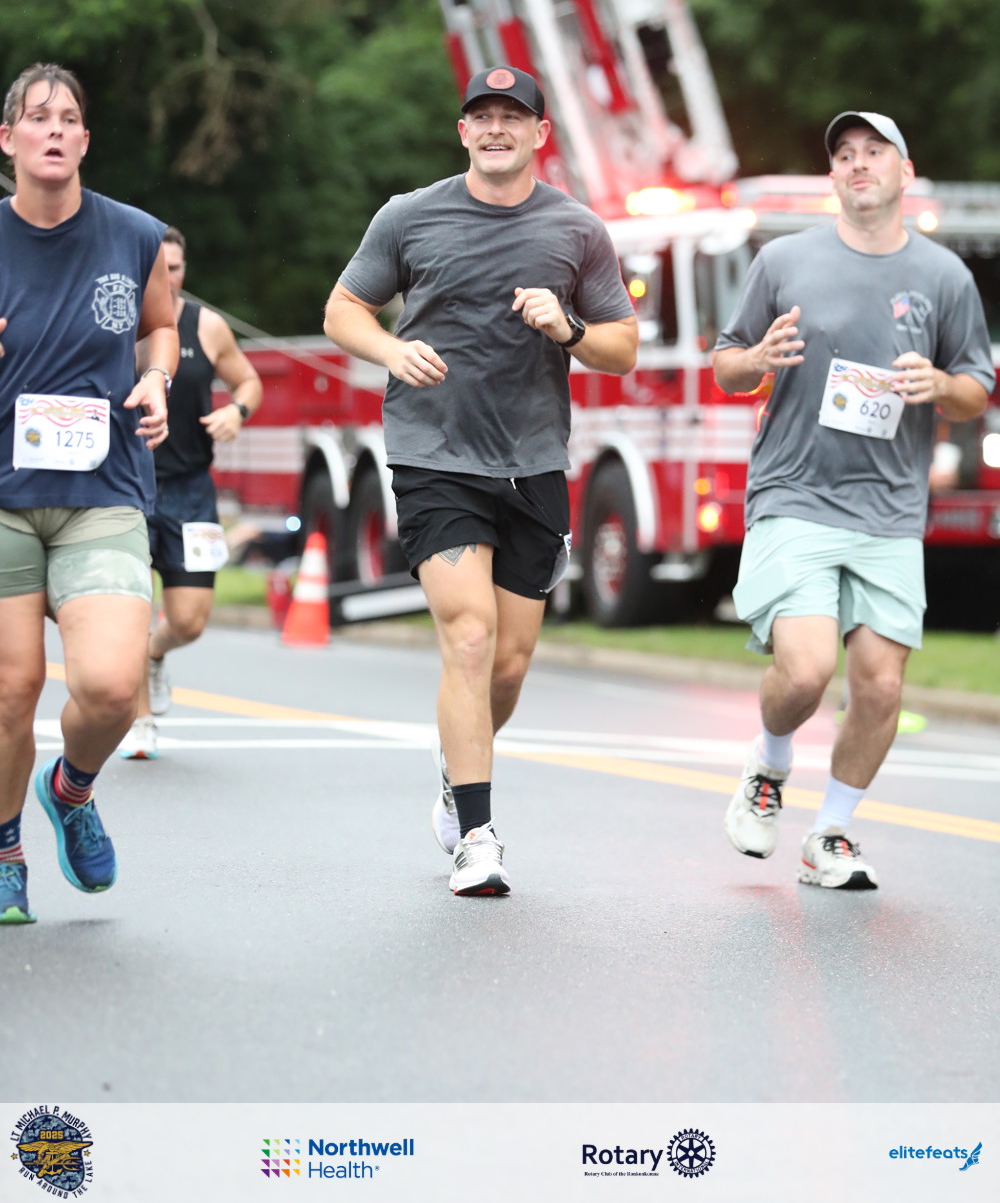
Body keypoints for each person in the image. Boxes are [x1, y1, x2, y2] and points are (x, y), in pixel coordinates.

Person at [323, 66, 637, 895]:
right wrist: (391, 350)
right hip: (433, 452)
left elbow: (623, 348)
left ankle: (456, 765)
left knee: (508, 664)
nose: (497, 129)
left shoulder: (577, 230)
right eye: (482, 117)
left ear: (540, 134)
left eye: (513, 116)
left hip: (532, 461)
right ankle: (476, 835)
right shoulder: (409, 216)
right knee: (468, 636)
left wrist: (567, 327)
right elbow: (342, 311)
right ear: (463, 131)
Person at [714, 111, 994, 890]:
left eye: (875, 152)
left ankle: (830, 834)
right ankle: (769, 766)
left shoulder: (944, 276)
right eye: (844, 154)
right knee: (806, 673)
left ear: (906, 172)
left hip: (890, 509)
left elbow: (976, 386)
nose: (858, 163)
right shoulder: (784, 260)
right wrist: (757, 357)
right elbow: (726, 364)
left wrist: (941, 385)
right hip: (796, 491)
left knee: (881, 686)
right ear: (833, 176)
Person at [0, 62, 177, 924]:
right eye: (39, 118)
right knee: (13, 690)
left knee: (110, 686)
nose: (55, 130)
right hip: (2, 497)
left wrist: (156, 378)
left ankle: (71, 789)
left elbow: (161, 326)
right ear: (9, 139)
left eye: (69, 118)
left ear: (85, 140)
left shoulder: (133, 234)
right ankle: (5, 851)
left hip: (101, 490)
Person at [118, 227, 262, 760]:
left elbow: (249, 382)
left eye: (175, 267)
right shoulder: (117, 322)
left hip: (192, 490)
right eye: (158, 266)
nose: (168, 276)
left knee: (189, 620)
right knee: (132, 611)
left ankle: (155, 655)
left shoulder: (207, 325)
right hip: (126, 487)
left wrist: (236, 411)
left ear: (183, 271)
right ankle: (140, 721)